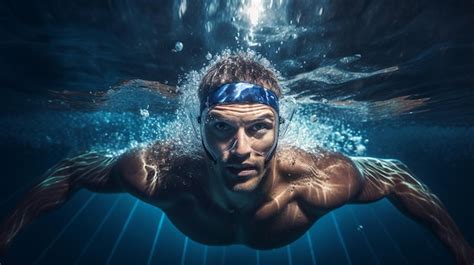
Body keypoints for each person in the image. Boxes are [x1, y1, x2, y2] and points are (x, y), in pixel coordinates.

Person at [0, 54, 473, 264]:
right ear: (197, 129)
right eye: (222, 128)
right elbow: (74, 168)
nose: (241, 149)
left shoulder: (322, 178)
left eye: (259, 128)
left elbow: (395, 175)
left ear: (280, 129)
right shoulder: (159, 174)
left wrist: (462, 252)